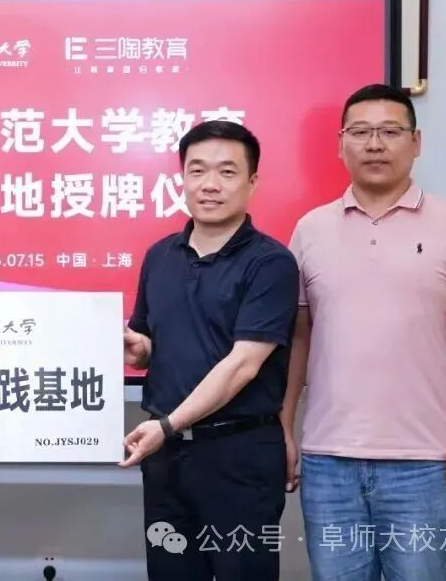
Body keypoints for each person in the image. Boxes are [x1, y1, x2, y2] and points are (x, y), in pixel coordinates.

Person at [283, 84, 446, 581]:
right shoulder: (311, 229)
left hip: (424, 462)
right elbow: (298, 337)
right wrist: (284, 426)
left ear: (415, 142)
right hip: (328, 461)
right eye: (360, 132)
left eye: (390, 131)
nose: (375, 144)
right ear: (341, 144)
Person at [120, 120, 299, 580]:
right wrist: (137, 348)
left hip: (239, 458)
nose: (210, 184)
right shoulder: (160, 256)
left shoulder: (271, 263)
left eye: (227, 171)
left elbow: (243, 365)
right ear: (182, 178)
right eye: (197, 170)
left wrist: (168, 425)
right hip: (167, 461)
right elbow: (151, 346)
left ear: (252, 182)